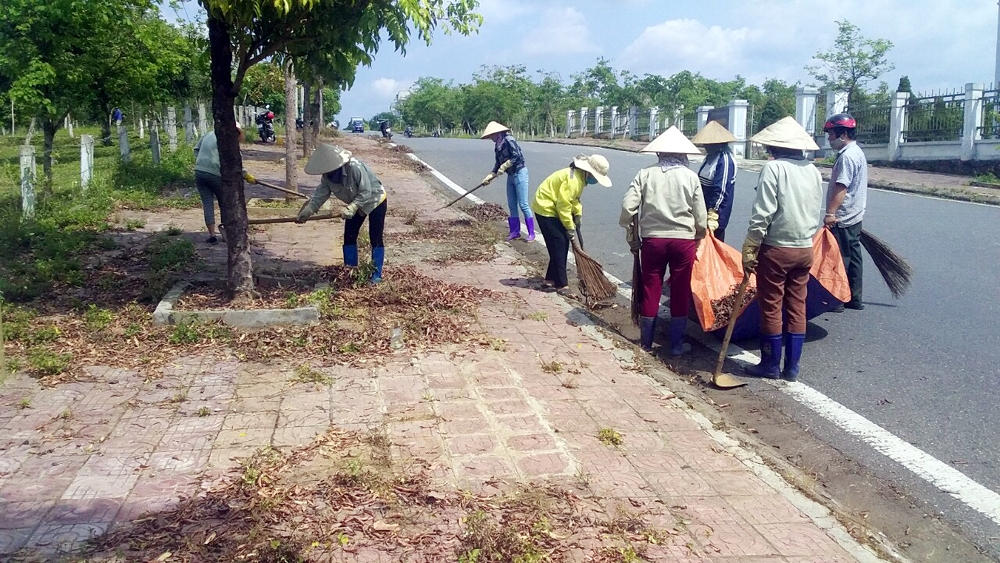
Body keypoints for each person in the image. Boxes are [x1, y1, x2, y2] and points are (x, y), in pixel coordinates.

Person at [741, 117, 824, 381]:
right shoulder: (812, 170)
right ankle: (792, 368)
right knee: (797, 306)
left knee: (772, 306)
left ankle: (770, 365)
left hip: (776, 248)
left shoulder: (774, 169)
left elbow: (762, 213)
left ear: (774, 148)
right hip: (804, 248)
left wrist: (751, 246)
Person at [620, 126, 707, 355]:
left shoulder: (646, 174)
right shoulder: (690, 177)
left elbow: (628, 207)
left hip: (653, 241)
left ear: (659, 154)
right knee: (679, 289)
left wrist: (627, 225)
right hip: (683, 241)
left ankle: (646, 343)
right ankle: (677, 345)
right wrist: (700, 234)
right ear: (683, 155)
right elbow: (700, 215)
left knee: (651, 287)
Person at [297, 144, 388, 284]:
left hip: (375, 200)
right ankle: (350, 271)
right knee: (349, 236)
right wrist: (308, 211)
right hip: (355, 202)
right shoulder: (327, 177)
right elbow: (320, 196)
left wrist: (352, 207)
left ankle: (376, 274)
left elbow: (366, 192)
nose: (329, 175)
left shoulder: (355, 167)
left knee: (375, 237)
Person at [530, 153, 612, 292]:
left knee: (559, 244)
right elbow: (564, 205)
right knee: (560, 243)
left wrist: (578, 214)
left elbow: (574, 200)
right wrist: (569, 227)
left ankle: (550, 278)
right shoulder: (574, 180)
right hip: (546, 208)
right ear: (589, 172)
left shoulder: (579, 178)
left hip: (553, 207)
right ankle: (562, 284)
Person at [823, 112, 868, 311]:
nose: (829, 138)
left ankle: (839, 298)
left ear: (842, 134)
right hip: (855, 214)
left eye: (831, 134)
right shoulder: (856, 152)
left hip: (844, 215)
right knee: (854, 256)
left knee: (841, 258)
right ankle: (854, 298)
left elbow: (841, 188)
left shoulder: (847, 157)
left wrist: (831, 213)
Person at [193, 123, 248, 244]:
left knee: (207, 203)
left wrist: (202, 162)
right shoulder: (229, 141)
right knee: (225, 203)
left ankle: (212, 235)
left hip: (199, 172)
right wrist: (246, 175)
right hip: (215, 175)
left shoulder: (208, 135)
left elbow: (196, 150)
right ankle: (226, 234)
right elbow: (236, 164)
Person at [480, 121, 534, 241]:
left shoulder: (509, 140)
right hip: (510, 175)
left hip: (520, 173)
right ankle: (515, 232)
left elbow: (517, 156)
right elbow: (497, 164)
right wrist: (490, 176)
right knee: (512, 205)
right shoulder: (497, 146)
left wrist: (505, 166)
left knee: (523, 204)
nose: (491, 138)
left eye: (492, 135)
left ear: (497, 133)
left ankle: (531, 233)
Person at [692, 121, 738, 241]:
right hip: (703, 209)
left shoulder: (725, 160)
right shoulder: (709, 159)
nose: (706, 147)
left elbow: (721, 190)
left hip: (715, 213)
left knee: (714, 246)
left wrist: (713, 213)